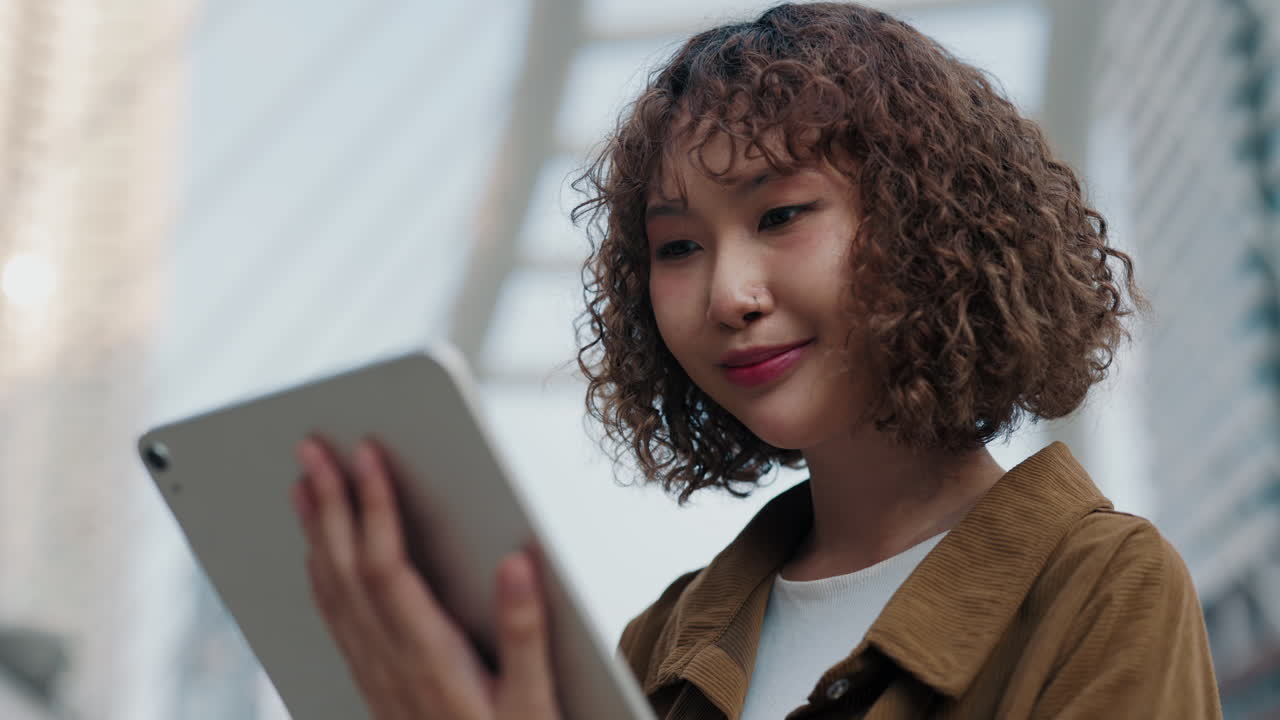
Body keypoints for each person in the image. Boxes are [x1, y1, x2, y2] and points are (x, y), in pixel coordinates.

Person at [290, 3, 1223, 719]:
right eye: (677, 248)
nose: (728, 294)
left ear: (931, 228)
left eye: (781, 216)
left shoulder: (1103, 590)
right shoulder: (660, 643)